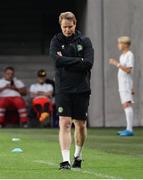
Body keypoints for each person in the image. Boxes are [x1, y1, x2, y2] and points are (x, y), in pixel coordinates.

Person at [50, 12, 94, 169]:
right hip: (63, 88)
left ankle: (78, 155)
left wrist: (66, 61)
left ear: (75, 24)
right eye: (64, 27)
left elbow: (88, 63)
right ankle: (65, 160)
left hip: (82, 88)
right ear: (60, 26)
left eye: (70, 26)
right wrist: (78, 60)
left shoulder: (85, 41)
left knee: (80, 124)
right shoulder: (56, 40)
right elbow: (56, 60)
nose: (67, 30)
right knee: (65, 122)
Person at [109, 36, 135, 136]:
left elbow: (129, 70)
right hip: (123, 84)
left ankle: (130, 129)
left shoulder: (129, 55)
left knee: (127, 104)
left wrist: (116, 63)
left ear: (125, 44)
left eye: (120, 43)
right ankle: (128, 128)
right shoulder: (122, 56)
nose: (118, 45)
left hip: (126, 83)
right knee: (125, 104)